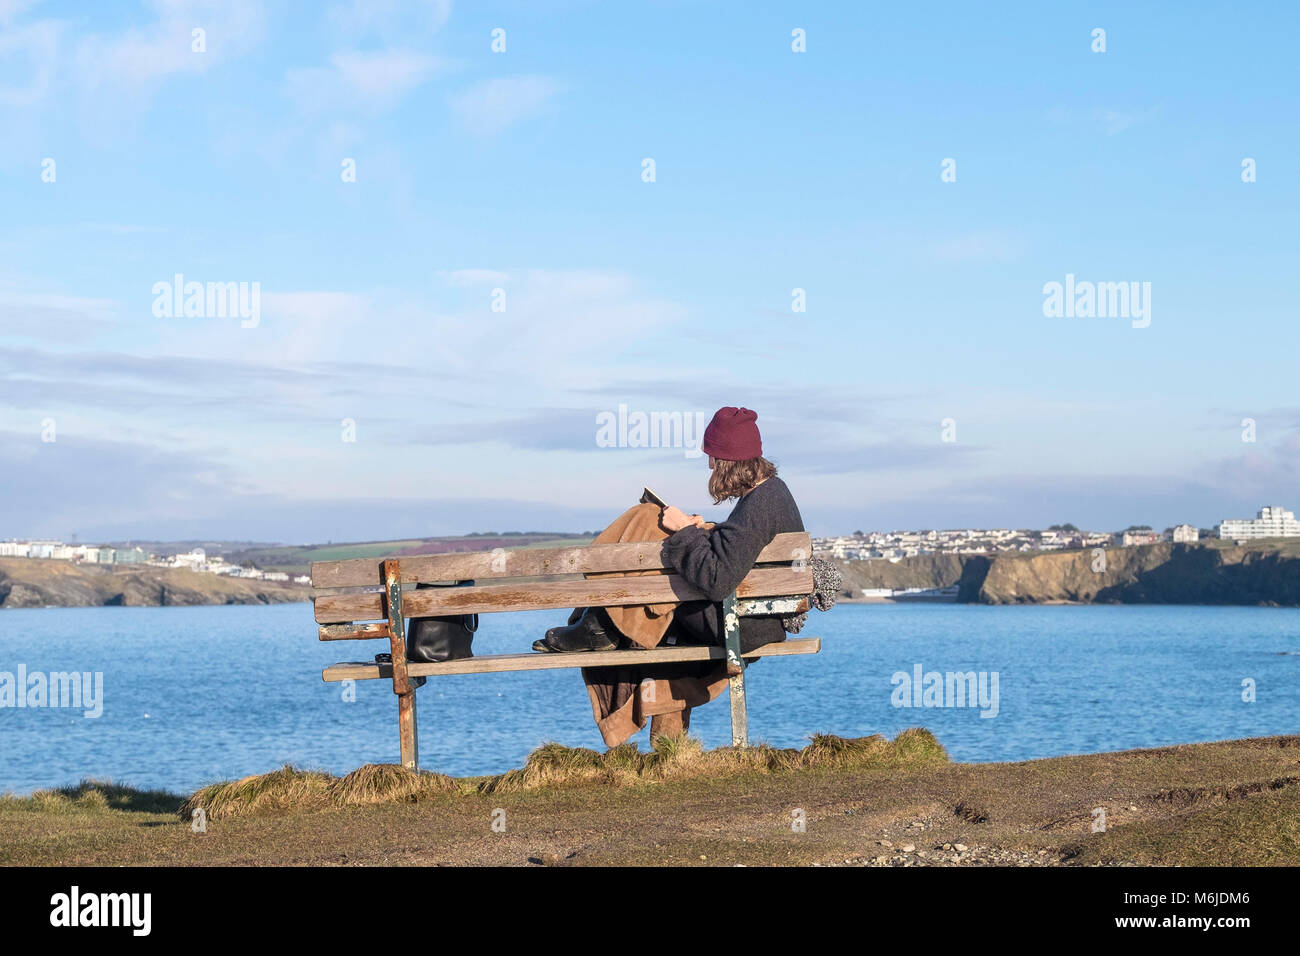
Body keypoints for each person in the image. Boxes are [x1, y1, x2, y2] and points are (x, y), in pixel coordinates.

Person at [533, 406, 806, 745]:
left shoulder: (760, 504)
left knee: (648, 519)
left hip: (742, 624)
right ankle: (668, 747)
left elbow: (718, 579)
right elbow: (737, 553)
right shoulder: (770, 494)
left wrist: (682, 532)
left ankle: (602, 622)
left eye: (712, 459)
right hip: (749, 617)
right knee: (658, 617)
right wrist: (703, 530)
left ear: (727, 461)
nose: (709, 467)